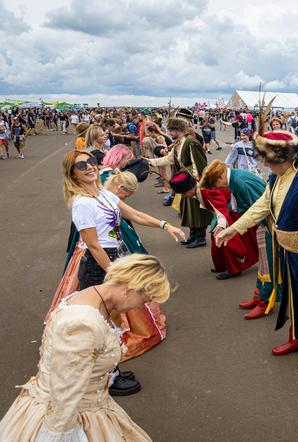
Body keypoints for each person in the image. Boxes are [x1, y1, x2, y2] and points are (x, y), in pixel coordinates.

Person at [0, 254, 169, 441]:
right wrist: (57, 435)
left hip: (88, 406)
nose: (140, 306)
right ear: (129, 288)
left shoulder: (92, 296)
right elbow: (65, 393)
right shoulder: (83, 324)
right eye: (144, 300)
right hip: (69, 414)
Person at [218, 128, 298, 370]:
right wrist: (235, 228)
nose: (263, 163)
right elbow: (264, 205)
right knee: (292, 296)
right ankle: (296, 339)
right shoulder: (277, 175)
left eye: (266, 158)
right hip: (287, 249)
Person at [62, 150, 185, 395]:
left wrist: (165, 225)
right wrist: (113, 275)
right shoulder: (82, 203)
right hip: (99, 266)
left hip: (114, 259)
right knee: (101, 323)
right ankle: (109, 377)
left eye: (92, 162)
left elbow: (135, 215)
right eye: (81, 165)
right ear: (72, 174)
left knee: (114, 320)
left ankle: (111, 369)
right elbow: (93, 244)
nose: (89, 167)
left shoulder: (105, 194)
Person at [200, 160, 278, 318]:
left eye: (215, 185)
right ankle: (259, 297)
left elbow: (265, 209)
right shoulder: (235, 179)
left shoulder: (240, 181)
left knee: (268, 265)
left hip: (269, 227)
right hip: (262, 225)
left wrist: (236, 228)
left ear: (221, 177)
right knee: (264, 264)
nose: (217, 189)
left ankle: (264, 302)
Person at [147, 117, 213, 248]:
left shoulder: (191, 143)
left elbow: (199, 164)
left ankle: (200, 237)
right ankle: (194, 235)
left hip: (192, 182)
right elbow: (169, 159)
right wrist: (150, 162)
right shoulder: (178, 143)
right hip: (185, 181)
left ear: (179, 129)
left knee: (197, 210)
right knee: (188, 210)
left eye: (172, 130)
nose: (169, 133)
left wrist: (196, 183)